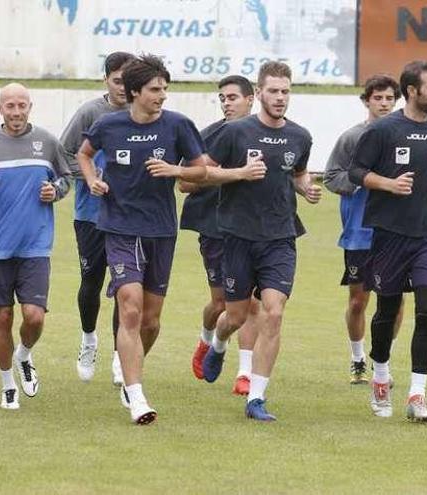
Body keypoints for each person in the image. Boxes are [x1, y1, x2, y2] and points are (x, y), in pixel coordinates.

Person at [165, 61, 321, 421]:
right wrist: (240, 174)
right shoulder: (235, 133)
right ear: (260, 93)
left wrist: (307, 187)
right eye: (273, 91)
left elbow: (297, 173)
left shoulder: (301, 136)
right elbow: (200, 173)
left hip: (280, 237)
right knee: (233, 315)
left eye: (285, 91)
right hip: (236, 236)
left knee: (273, 312)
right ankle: (218, 343)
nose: (280, 98)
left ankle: (256, 397)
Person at [78, 55, 208, 425]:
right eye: (155, 89)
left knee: (149, 321)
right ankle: (137, 397)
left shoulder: (179, 125)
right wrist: (92, 180)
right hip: (119, 226)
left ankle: (128, 364)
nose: (162, 95)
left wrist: (176, 170)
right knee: (130, 305)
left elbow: (201, 170)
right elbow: (84, 155)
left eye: (165, 88)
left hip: (161, 230)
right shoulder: (108, 125)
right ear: (135, 92)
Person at [0, 83, 72, 410]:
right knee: (2, 316)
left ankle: (24, 354)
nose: (16, 112)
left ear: (30, 106)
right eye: (10, 106)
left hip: (36, 245)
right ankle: (7, 384)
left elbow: (66, 178)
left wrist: (55, 191)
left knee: (33, 317)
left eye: (22, 105)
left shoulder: (47, 142)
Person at [349, 61, 427, 423]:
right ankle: (380, 378)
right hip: (389, 236)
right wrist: (388, 184)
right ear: (412, 91)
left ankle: (417, 394)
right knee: (387, 311)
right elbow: (356, 172)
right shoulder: (383, 130)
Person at [180, 75, 264, 396]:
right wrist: (230, 175)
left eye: (233, 97)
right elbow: (185, 183)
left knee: (251, 304)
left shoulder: (269, 135)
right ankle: (207, 340)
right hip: (215, 229)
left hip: (254, 231)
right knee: (220, 304)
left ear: (250, 98)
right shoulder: (209, 136)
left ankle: (244, 374)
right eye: (223, 99)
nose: (227, 103)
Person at [324, 74, 404, 385]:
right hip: (359, 232)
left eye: (389, 98)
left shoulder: (404, 135)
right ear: (366, 101)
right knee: (358, 301)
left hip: (396, 232)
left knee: (394, 301)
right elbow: (331, 176)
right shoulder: (352, 137)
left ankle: (383, 358)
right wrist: (363, 182)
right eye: (378, 98)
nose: (384, 104)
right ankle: (357, 358)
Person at [59, 51, 134, 385]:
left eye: (128, 81)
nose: (123, 87)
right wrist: (89, 176)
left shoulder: (142, 113)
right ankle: (89, 339)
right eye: (117, 80)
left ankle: (121, 354)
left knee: (126, 286)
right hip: (90, 215)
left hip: (131, 218)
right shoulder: (91, 112)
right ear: (106, 79)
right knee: (91, 280)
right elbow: (63, 152)